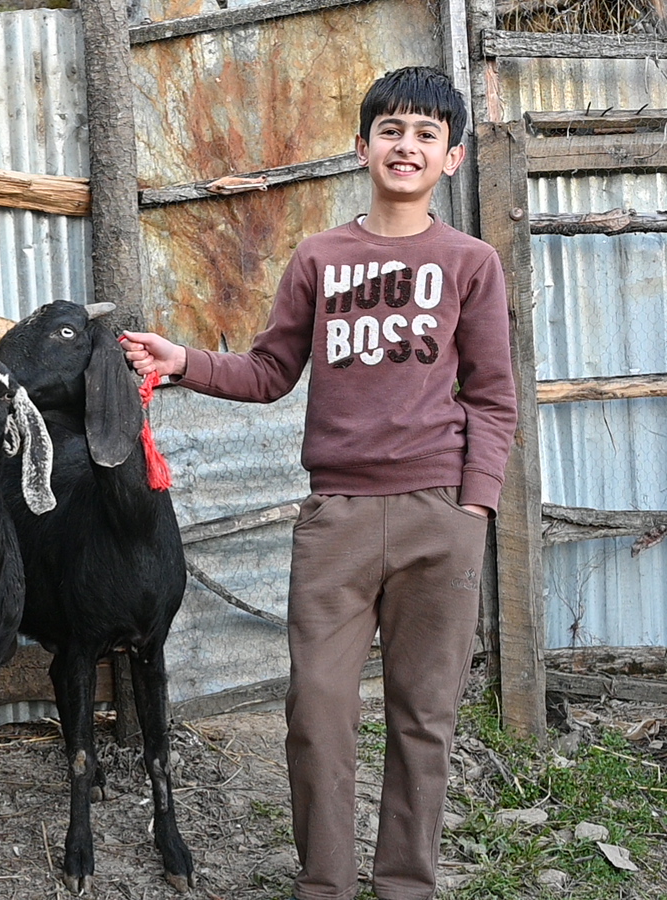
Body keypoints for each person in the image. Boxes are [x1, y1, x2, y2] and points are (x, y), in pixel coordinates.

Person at [121, 67, 517, 900]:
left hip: (436, 517)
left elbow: (492, 396)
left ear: (452, 157)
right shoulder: (321, 257)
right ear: (363, 144)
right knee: (317, 716)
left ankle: (405, 883)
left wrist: (474, 505)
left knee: (423, 718)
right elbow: (270, 370)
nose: (406, 146)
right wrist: (183, 361)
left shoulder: (470, 263)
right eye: (392, 130)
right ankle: (325, 885)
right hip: (335, 520)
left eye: (426, 134)